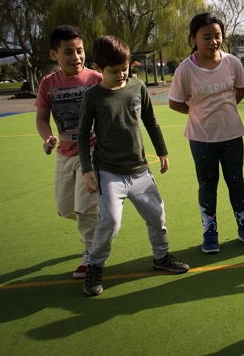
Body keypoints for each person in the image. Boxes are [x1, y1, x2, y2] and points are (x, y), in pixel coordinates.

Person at [77, 35, 189, 296]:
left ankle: (161, 257)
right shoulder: (93, 97)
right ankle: (95, 266)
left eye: (124, 69)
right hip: (108, 173)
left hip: (140, 171)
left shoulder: (137, 88)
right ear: (98, 68)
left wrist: (162, 151)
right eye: (113, 71)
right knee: (111, 222)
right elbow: (83, 135)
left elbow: (151, 121)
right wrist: (87, 169)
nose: (120, 75)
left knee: (156, 216)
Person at [168, 13, 244, 254]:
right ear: (194, 39)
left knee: (236, 181)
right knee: (207, 185)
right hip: (201, 138)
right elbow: (175, 103)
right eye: (206, 37)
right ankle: (210, 230)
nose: (213, 41)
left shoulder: (232, 63)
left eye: (217, 36)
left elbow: (240, 90)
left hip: (232, 135)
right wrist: (200, 113)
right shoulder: (185, 70)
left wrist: (224, 110)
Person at [34, 25, 102, 279]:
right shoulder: (48, 83)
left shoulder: (96, 79)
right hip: (64, 153)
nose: (76, 57)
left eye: (80, 51)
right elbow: (41, 117)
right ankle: (99, 217)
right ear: (54, 55)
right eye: (68, 52)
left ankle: (91, 252)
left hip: (93, 151)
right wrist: (48, 137)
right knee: (65, 208)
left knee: (85, 208)